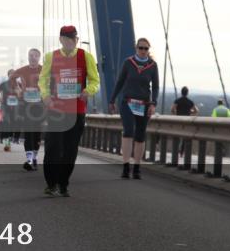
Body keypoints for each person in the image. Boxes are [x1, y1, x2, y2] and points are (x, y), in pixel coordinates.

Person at [39, 25, 100, 197]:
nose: (70, 42)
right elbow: (43, 80)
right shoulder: (51, 57)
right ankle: (51, 184)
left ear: (76, 40)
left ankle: (63, 183)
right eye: (66, 39)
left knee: (70, 149)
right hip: (56, 109)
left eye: (73, 39)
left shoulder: (85, 56)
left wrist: (89, 91)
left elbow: (95, 80)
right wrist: (45, 95)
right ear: (61, 40)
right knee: (52, 147)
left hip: (77, 110)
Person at [109, 38, 159, 180]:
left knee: (140, 135)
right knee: (128, 131)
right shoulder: (128, 63)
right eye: (140, 48)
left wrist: (153, 103)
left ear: (149, 50)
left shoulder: (153, 66)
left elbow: (155, 87)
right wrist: (112, 100)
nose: (143, 51)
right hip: (128, 102)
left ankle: (137, 167)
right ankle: (126, 166)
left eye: (146, 49)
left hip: (144, 104)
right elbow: (119, 82)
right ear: (136, 48)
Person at [12, 48, 43, 171]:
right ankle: (29, 160)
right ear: (28, 57)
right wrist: (17, 90)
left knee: (36, 134)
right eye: (31, 55)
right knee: (28, 132)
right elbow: (12, 78)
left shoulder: (43, 69)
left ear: (39, 57)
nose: (33, 57)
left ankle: (34, 157)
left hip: (40, 105)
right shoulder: (23, 70)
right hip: (26, 104)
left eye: (35, 55)